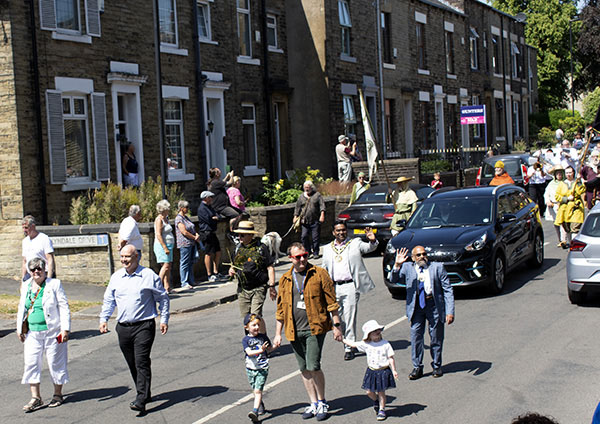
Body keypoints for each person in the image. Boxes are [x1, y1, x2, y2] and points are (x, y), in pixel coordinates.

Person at [273, 242, 343, 421]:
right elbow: (281, 309)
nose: (302, 259)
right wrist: (277, 334)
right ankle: (313, 403)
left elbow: (331, 302)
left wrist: (336, 326)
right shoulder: (285, 279)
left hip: (315, 328)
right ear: (290, 258)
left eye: (304, 255)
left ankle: (322, 401)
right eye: (298, 257)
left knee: (313, 366)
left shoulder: (319, 274)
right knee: (303, 369)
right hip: (294, 330)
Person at [99, 245, 170, 414]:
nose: (124, 260)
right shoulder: (116, 277)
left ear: (136, 257)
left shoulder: (149, 276)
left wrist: (164, 319)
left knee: (141, 361)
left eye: (127, 257)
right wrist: (104, 319)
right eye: (122, 257)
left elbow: (163, 298)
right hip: (123, 327)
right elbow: (109, 300)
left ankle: (141, 399)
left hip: (144, 326)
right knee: (132, 363)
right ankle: (146, 392)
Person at [388, 245, 455, 380]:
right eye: (418, 255)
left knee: (436, 336)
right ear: (413, 258)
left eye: (424, 254)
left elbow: (447, 289)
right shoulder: (407, 268)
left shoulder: (437, 267)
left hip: (433, 305)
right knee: (416, 337)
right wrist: (396, 265)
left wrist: (450, 311)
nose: (422, 257)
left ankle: (436, 365)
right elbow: (393, 279)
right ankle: (417, 367)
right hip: (416, 306)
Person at [17, 257, 70, 412]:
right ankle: (36, 397)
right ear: (29, 271)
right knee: (31, 362)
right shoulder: (26, 285)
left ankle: (58, 394)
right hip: (33, 332)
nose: (36, 272)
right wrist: (20, 328)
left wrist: (65, 329)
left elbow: (64, 306)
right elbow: (22, 307)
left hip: (53, 332)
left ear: (45, 269)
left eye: (39, 268)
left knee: (55, 362)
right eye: (33, 269)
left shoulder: (54, 284)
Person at [322, 221, 378, 360]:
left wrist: (372, 240)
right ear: (333, 232)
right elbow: (323, 269)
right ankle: (346, 340)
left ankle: (349, 347)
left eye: (343, 230)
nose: (341, 233)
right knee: (337, 317)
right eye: (338, 231)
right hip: (334, 287)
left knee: (350, 316)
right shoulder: (328, 248)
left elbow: (369, 248)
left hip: (350, 286)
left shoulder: (355, 243)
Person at [341, 320, 398, 421]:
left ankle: (382, 409)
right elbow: (353, 344)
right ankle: (376, 400)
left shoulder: (385, 344)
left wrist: (393, 370)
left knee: (381, 392)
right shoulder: (366, 344)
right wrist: (342, 339)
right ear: (369, 335)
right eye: (374, 331)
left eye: (378, 330)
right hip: (372, 371)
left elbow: (391, 358)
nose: (377, 332)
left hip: (383, 371)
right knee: (369, 391)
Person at [228, 221, 276, 326]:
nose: (239, 237)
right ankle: (251, 340)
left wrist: (272, 286)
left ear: (251, 235)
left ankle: (261, 338)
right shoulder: (238, 249)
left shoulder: (261, 248)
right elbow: (234, 265)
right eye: (238, 235)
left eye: (242, 235)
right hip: (243, 289)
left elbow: (270, 267)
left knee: (254, 317)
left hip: (258, 288)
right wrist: (232, 271)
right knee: (247, 320)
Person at [243, 313, 276, 422]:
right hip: (250, 368)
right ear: (247, 327)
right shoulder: (246, 340)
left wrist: (275, 345)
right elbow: (249, 352)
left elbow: (269, 349)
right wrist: (260, 350)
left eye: (258, 325)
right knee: (255, 389)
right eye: (254, 325)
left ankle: (255, 411)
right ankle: (260, 403)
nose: (257, 327)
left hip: (262, 368)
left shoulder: (263, 337)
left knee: (257, 391)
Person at [293, 180, 326, 259]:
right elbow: (297, 207)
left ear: (311, 187)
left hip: (315, 220)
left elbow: (322, 206)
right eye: (305, 187)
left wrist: (322, 215)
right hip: (304, 221)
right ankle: (307, 251)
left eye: (308, 187)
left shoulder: (317, 195)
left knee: (315, 237)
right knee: (304, 237)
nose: (306, 189)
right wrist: (295, 216)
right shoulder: (301, 197)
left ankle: (316, 252)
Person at [197, 191, 224, 282]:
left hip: (212, 232)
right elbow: (209, 220)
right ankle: (209, 274)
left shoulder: (210, 207)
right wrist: (215, 219)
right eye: (210, 197)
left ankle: (216, 271)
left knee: (218, 251)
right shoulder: (202, 208)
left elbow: (217, 216)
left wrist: (216, 218)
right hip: (206, 233)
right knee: (208, 253)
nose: (212, 199)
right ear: (206, 198)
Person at [554, 166, 585, 246]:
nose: (568, 174)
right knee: (567, 228)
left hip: (575, 208)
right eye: (567, 173)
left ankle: (574, 245)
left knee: (575, 228)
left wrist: (579, 182)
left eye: (570, 172)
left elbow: (581, 191)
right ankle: (570, 243)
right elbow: (557, 196)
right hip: (565, 209)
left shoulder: (576, 183)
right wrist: (567, 198)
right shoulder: (562, 184)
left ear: (573, 173)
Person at [175, 200, 201, 289]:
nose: (188, 209)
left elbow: (191, 228)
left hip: (191, 243)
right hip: (184, 243)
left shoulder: (186, 218)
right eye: (186, 208)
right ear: (181, 208)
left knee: (190, 262)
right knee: (184, 263)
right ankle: (184, 282)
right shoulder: (179, 219)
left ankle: (191, 280)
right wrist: (194, 237)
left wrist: (196, 234)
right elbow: (184, 232)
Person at [207, 167, 242, 232]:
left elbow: (222, 183)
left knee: (240, 212)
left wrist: (227, 176)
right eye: (219, 171)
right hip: (220, 207)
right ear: (217, 174)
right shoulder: (215, 182)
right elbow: (229, 183)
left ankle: (235, 228)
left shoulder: (216, 182)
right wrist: (231, 176)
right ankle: (231, 231)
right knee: (235, 215)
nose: (220, 171)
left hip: (225, 205)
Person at [21, 215, 55, 281]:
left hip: (42, 274)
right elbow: (24, 261)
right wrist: (23, 280)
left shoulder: (44, 239)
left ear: (33, 226)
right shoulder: (25, 241)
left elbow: (50, 259)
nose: (24, 230)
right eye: (23, 228)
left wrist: (49, 278)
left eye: (26, 227)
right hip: (30, 274)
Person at [544, 167, 568, 247]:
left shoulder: (565, 183)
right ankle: (560, 239)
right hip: (552, 205)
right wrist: (547, 201)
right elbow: (546, 193)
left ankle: (563, 240)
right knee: (556, 223)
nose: (559, 175)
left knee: (562, 222)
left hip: (561, 205)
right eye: (557, 174)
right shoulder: (551, 184)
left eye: (560, 173)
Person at [153, 200, 173, 293]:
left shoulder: (166, 218)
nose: (169, 210)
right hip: (162, 245)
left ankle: (167, 287)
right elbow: (158, 234)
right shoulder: (159, 219)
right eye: (167, 209)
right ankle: (157, 285)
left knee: (168, 266)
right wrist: (164, 247)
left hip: (169, 244)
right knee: (166, 265)